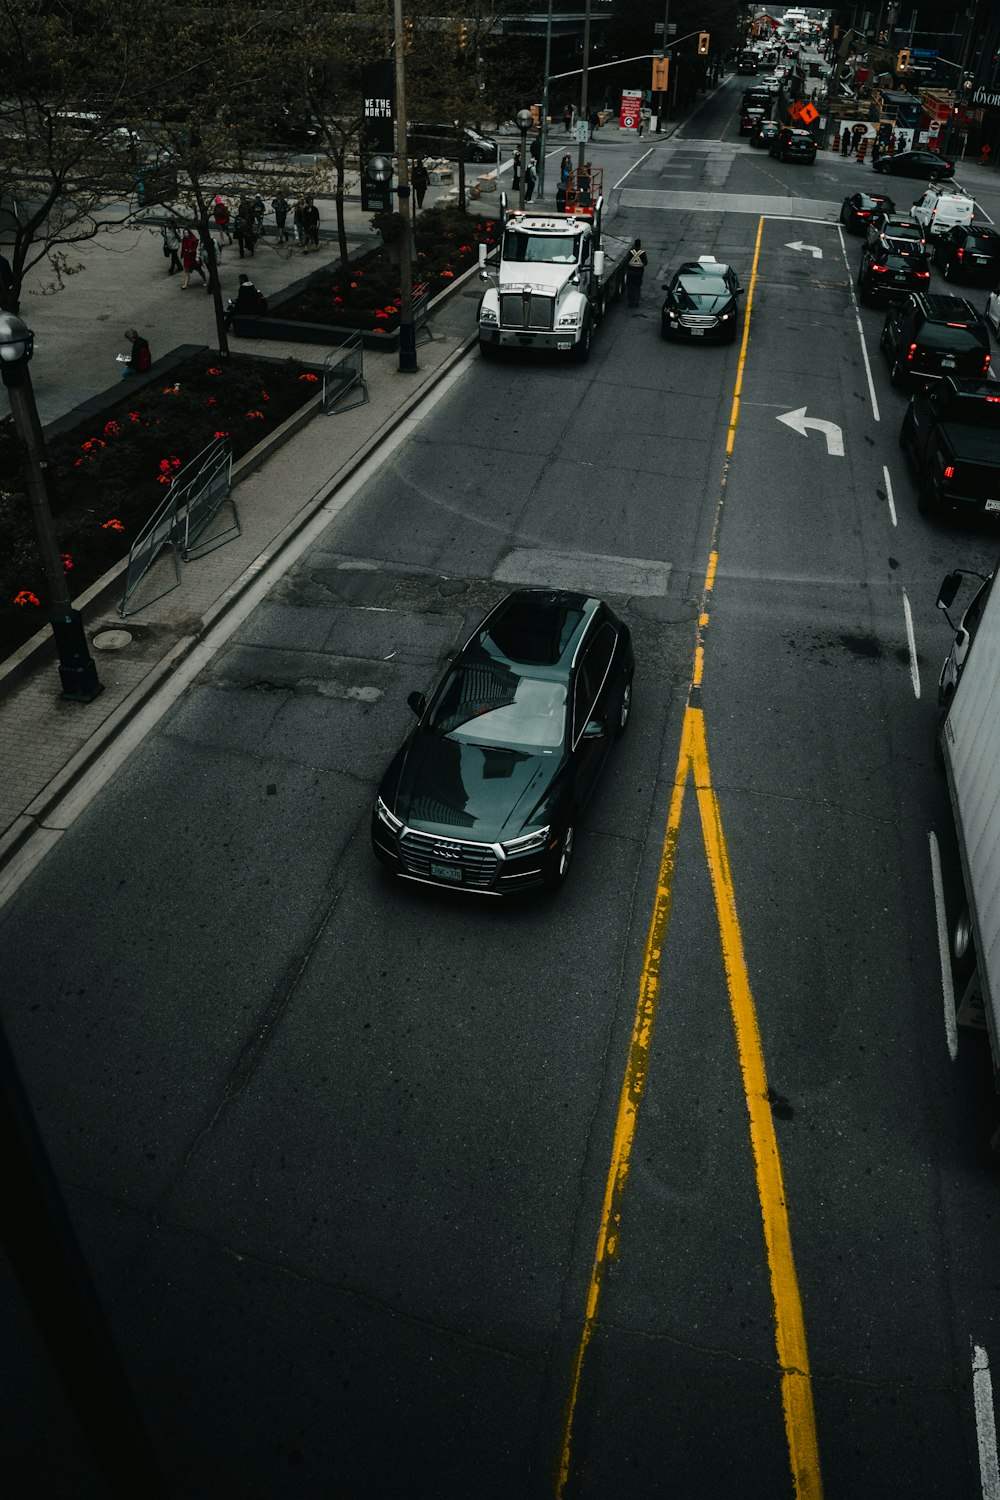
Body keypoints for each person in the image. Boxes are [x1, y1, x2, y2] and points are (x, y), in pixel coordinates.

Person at [626, 238, 647, 307]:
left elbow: (627, 261)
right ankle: (636, 301)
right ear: (640, 245)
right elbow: (645, 263)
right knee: (637, 287)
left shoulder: (631, 252)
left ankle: (630, 301)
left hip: (631, 271)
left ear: (634, 245)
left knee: (630, 287)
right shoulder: (643, 253)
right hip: (639, 272)